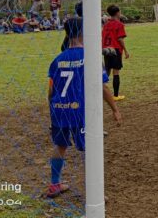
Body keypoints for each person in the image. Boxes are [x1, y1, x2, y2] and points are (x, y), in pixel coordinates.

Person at [45, 18, 122, 198]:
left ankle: (54, 184)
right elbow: (102, 87)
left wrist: (54, 109)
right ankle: (95, 192)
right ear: (83, 33)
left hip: (59, 109)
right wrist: (115, 109)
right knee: (91, 148)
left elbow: (50, 90)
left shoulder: (57, 59)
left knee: (60, 145)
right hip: (80, 111)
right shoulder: (90, 57)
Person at [102, 5, 129, 101]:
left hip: (106, 49)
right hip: (115, 50)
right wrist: (126, 50)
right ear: (118, 13)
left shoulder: (105, 25)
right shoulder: (119, 24)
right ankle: (116, 95)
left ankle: (97, 91)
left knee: (107, 71)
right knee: (116, 72)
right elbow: (120, 39)